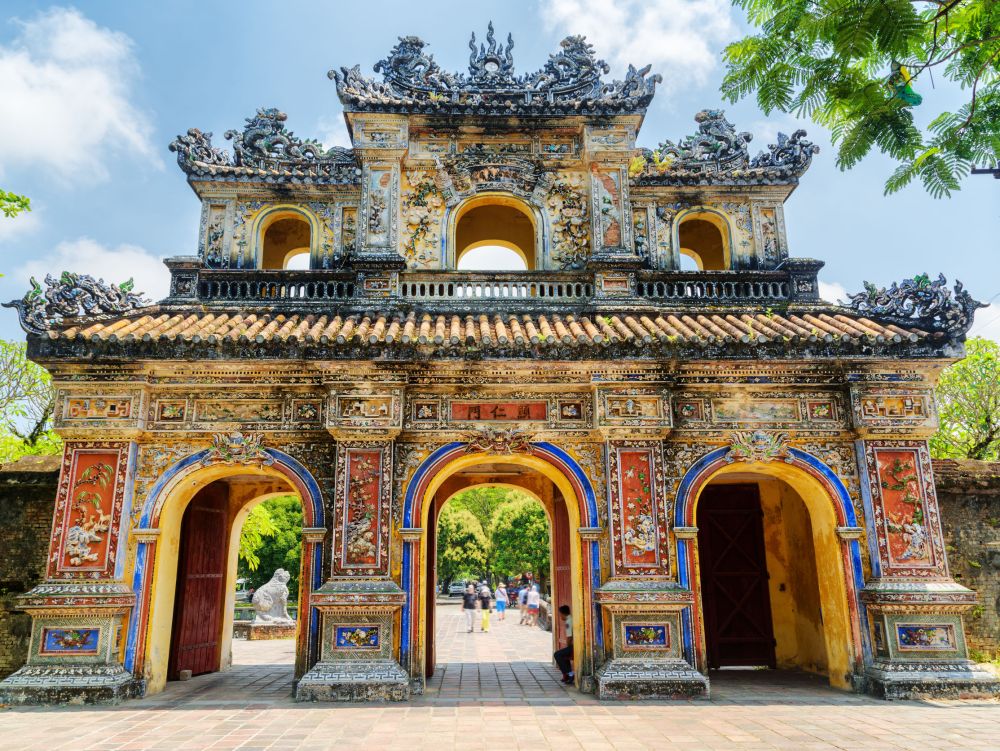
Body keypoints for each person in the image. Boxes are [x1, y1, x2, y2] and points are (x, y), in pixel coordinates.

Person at [553, 604, 574, 685]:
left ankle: (569, 673)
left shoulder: (568, 621)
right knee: (564, 655)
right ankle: (568, 674)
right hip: (573, 646)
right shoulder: (571, 619)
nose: (560, 616)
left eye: (560, 614)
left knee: (557, 654)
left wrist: (568, 646)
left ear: (563, 613)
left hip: (573, 646)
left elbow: (569, 637)